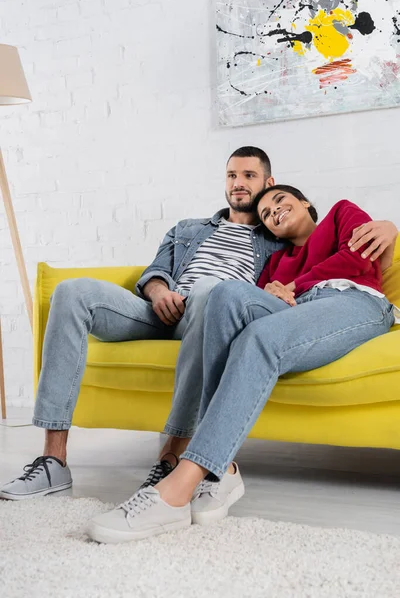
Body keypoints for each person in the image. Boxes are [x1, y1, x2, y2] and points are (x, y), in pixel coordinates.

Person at [0, 150, 396, 505]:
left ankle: (174, 457)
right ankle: (53, 460)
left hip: (212, 310)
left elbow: (295, 280)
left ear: (269, 184)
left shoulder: (275, 242)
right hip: (161, 309)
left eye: (250, 177)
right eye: (231, 176)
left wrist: (390, 228)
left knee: (214, 291)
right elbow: (156, 270)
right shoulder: (188, 229)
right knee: (71, 293)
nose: (239, 183)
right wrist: (158, 292)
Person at [86, 185, 396, 544]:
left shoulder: (341, 213)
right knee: (227, 293)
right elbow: (255, 298)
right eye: (265, 214)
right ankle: (223, 468)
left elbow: (357, 259)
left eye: (281, 202)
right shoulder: (275, 262)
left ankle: (179, 488)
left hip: (351, 301)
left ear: (306, 203)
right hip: (298, 307)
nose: (274, 212)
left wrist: (292, 285)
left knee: (260, 338)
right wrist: (273, 290)